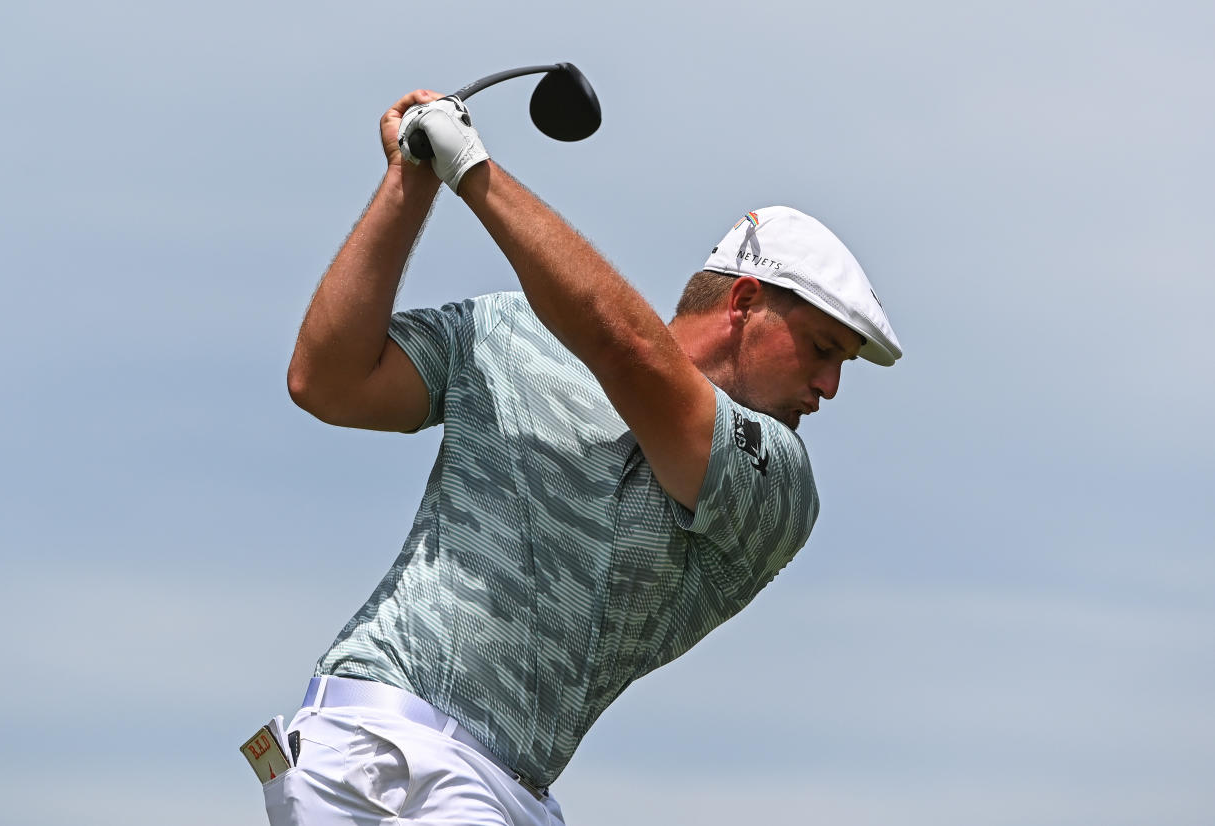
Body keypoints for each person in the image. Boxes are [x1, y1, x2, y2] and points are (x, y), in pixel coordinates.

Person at [271, 88, 902, 826]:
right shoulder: (508, 330)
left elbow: (629, 351)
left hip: (502, 789)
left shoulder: (779, 486)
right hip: (390, 755)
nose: (829, 386)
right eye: (823, 349)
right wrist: (411, 183)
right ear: (744, 303)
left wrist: (471, 167)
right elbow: (328, 381)